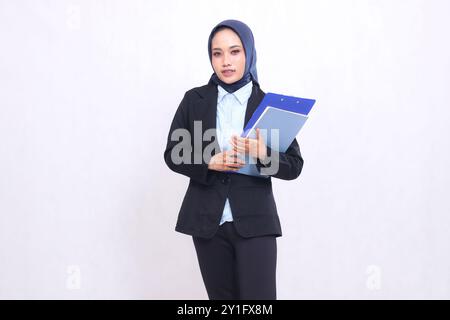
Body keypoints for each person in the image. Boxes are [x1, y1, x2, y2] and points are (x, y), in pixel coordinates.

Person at [163, 19, 304, 300]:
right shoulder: (195, 100)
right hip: (207, 223)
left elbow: (294, 166)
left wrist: (263, 154)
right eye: (217, 53)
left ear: (249, 53)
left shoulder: (268, 105)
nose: (225, 61)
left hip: (256, 223)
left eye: (234, 51)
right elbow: (173, 154)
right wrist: (208, 162)